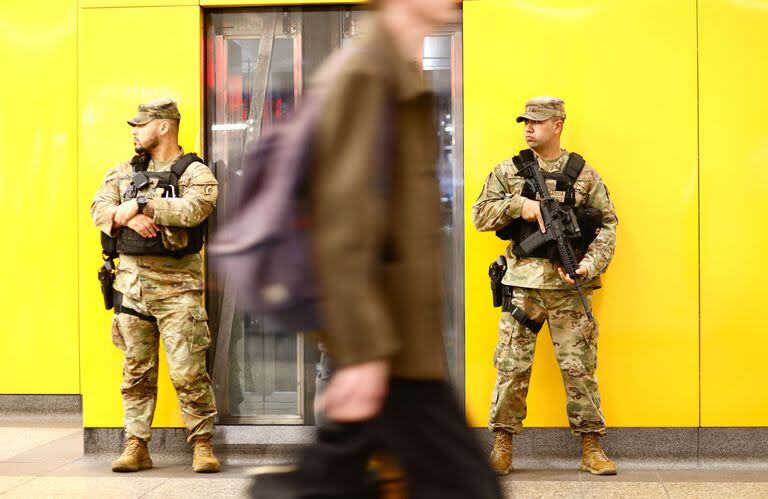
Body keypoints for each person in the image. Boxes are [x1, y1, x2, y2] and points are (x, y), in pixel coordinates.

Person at [252, 1, 503, 497]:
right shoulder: (368, 74)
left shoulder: (396, 72)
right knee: (469, 488)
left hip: (398, 344)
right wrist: (364, 354)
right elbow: (343, 225)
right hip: (389, 348)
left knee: (340, 477)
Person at [472, 96, 619, 476]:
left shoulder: (583, 173)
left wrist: (587, 265)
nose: (529, 127)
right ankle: (502, 444)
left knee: (580, 369)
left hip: (571, 290)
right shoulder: (510, 171)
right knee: (511, 368)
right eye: (525, 121)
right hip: (522, 287)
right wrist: (518, 205)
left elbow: (607, 224)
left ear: (558, 125)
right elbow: (479, 215)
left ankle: (591, 447)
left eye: (537, 121)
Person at [91, 98, 221, 473]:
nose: (134, 130)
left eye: (140, 124)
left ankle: (201, 443)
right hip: (131, 290)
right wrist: (127, 219)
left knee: (189, 371)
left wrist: (143, 205)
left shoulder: (196, 173)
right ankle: (136, 445)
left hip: (179, 291)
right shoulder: (122, 171)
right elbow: (99, 209)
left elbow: (194, 209)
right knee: (136, 372)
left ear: (163, 126)